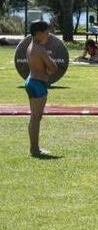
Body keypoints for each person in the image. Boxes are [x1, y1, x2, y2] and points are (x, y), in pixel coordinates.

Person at [25, 20, 58, 157]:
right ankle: (35, 149)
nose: (48, 35)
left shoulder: (30, 46)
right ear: (38, 33)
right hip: (38, 84)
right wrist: (50, 69)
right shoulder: (39, 49)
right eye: (46, 32)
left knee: (35, 117)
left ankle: (34, 148)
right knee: (36, 118)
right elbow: (53, 68)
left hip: (32, 81)